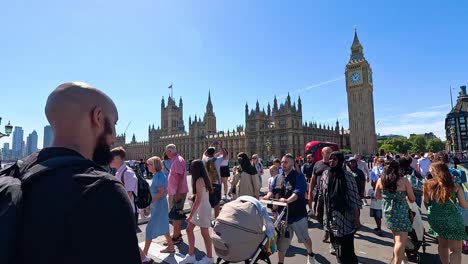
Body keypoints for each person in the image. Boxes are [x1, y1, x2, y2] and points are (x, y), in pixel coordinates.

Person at [10, 82, 140, 264]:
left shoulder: (15, 172)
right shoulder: (104, 191)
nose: (114, 137)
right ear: (98, 117)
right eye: (114, 124)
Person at [263, 154, 316, 264]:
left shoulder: (298, 176)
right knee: (282, 245)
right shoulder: (278, 177)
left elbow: (297, 192)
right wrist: (268, 195)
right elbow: (272, 190)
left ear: (292, 164)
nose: (283, 164)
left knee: (305, 239)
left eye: (286, 162)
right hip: (283, 217)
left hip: (298, 215)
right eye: (282, 162)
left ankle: (311, 254)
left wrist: (288, 200)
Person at [319, 152, 361, 263]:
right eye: (330, 159)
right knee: (337, 248)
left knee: (347, 249)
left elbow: (354, 198)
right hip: (330, 217)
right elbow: (322, 194)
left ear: (340, 161)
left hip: (345, 217)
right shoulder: (325, 174)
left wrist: (357, 219)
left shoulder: (347, 176)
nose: (332, 161)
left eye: (335, 159)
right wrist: (318, 211)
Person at [423, 162, 468, 264]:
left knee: (442, 245)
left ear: (435, 172)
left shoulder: (428, 184)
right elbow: (464, 205)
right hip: (453, 219)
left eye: (431, 171)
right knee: (456, 250)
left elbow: (425, 201)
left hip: (436, 219)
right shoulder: (455, 186)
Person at [375, 160, 416, 264]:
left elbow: (377, 196)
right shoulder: (404, 181)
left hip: (388, 212)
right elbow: (412, 199)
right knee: (401, 241)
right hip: (401, 212)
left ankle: (401, 259)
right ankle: (397, 261)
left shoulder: (381, 180)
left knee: (396, 237)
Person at [180, 160, 214, 264]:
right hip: (202, 207)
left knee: (205, 234)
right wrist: (193, 196)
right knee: (189, 230)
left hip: (202, 209)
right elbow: (201, 194)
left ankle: (209, 258)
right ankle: (191, 255)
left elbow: (199, 200)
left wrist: (190, 215)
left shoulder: (199, 180)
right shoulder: (204, 178)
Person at [142, 156, 174, 256]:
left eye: (149, 164)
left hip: (159, 206)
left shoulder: (159, 176)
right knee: (164, 226)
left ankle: (144, 253)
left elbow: (161, 193)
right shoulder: (157, 175)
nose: (147, 166)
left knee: (149, 229)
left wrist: (150, 202)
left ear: (154, 165)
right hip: (158, 205)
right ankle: (171, 247)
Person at [165, 144, 189, 245]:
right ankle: (177, 234)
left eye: (167, 152)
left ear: (170, 151)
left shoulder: (177, 161)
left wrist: (178, 193)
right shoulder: (176, 160)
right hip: (176, 192)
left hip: (178, 192)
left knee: (175, 216)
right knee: (176, 214)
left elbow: (179, 178)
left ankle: (176, 237)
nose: (166, 154)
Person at [308, 146, 332, 242]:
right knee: (318, 214)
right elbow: (313, 179)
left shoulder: (334, 164)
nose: (330, 154)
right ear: (322, 153)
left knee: (330, 214)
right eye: (328, 152)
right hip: (319, 193)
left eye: (331, 152)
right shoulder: (317, 164)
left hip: (331, 193)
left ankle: (331, 235)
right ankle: (326, 228)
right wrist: (310, 192)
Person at [110, 147, 139, 226]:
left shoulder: (128, 172)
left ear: (117, 158)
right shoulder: (118, 172)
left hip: (129, 211)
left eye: (110, 158)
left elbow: (128, 194)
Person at [202, 142, 228, 218]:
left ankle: (207, 219)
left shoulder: (204, 160)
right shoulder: (217, 160)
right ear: (214, 153)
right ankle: (216, 219)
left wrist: (211, 145)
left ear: (207, 153)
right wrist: (220, 146)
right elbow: (225, 155)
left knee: (208, 202)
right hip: (217, 184)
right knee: (216, 204)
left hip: (207, 184)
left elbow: (204, 153)